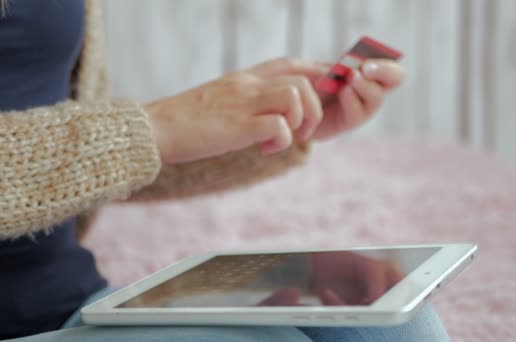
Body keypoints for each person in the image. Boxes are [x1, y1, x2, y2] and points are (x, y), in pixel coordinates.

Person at [0, 0, 450, 341]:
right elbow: (127, 139)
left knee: (398, 327)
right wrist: (155, 127)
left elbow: (75, 170)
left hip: (65, 302)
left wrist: (264, 127)